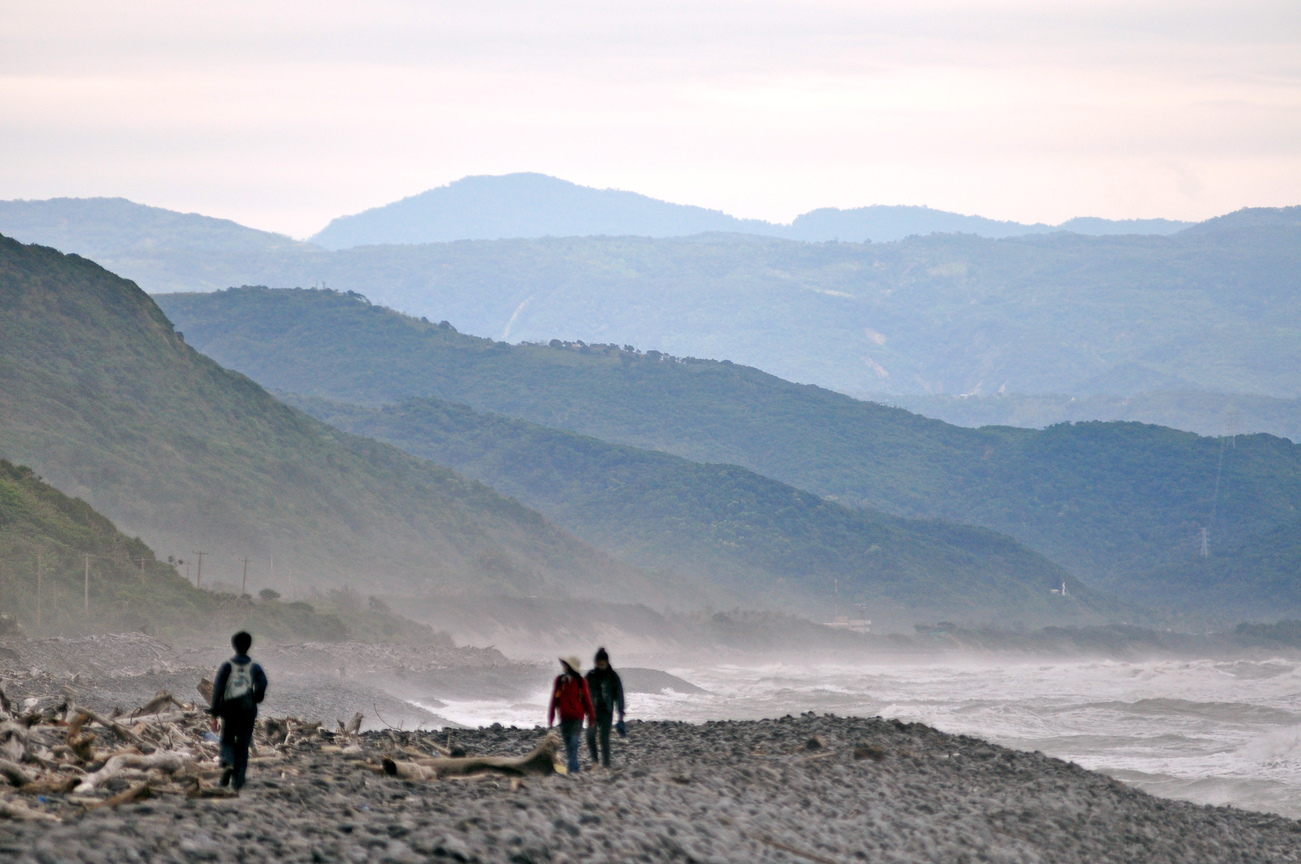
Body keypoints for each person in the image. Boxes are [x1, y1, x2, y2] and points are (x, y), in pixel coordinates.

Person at [209, 631, 268, 790]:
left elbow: (218, 689)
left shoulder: (227, 666)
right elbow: (262, 683)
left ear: (233, 646)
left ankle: (228, 762)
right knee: (243, 743)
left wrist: (215, 712)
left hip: (229, 709)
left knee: (227, 740)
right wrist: (256, 697)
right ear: (249, 646)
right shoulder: (254, 667)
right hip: (247, 709)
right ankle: (239, 780)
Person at [547, 655, 594, 774]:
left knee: (574, 741)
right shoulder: (560, 680)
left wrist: (591, 718)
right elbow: (554, 700)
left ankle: (574, 769)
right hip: (564, 717)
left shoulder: (580, 681)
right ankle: (573, 768)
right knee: (569, 744)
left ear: (571, 667)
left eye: (566, 665)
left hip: (578, 717)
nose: (564, 667)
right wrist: (551, 718)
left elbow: (587, 700)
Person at [585, 647, 626, 768]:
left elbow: (619, 695)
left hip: (607, 712)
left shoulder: (613, 676)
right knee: (590, 736)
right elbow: (583, 693)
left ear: (607, 661)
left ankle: (606, 765)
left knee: (604, 738)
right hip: (593, 711)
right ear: (596, 662)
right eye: (599, 661)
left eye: (603, 661)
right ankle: (595, 762)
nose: (601, 663)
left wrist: (621, 714)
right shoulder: (590, 676)